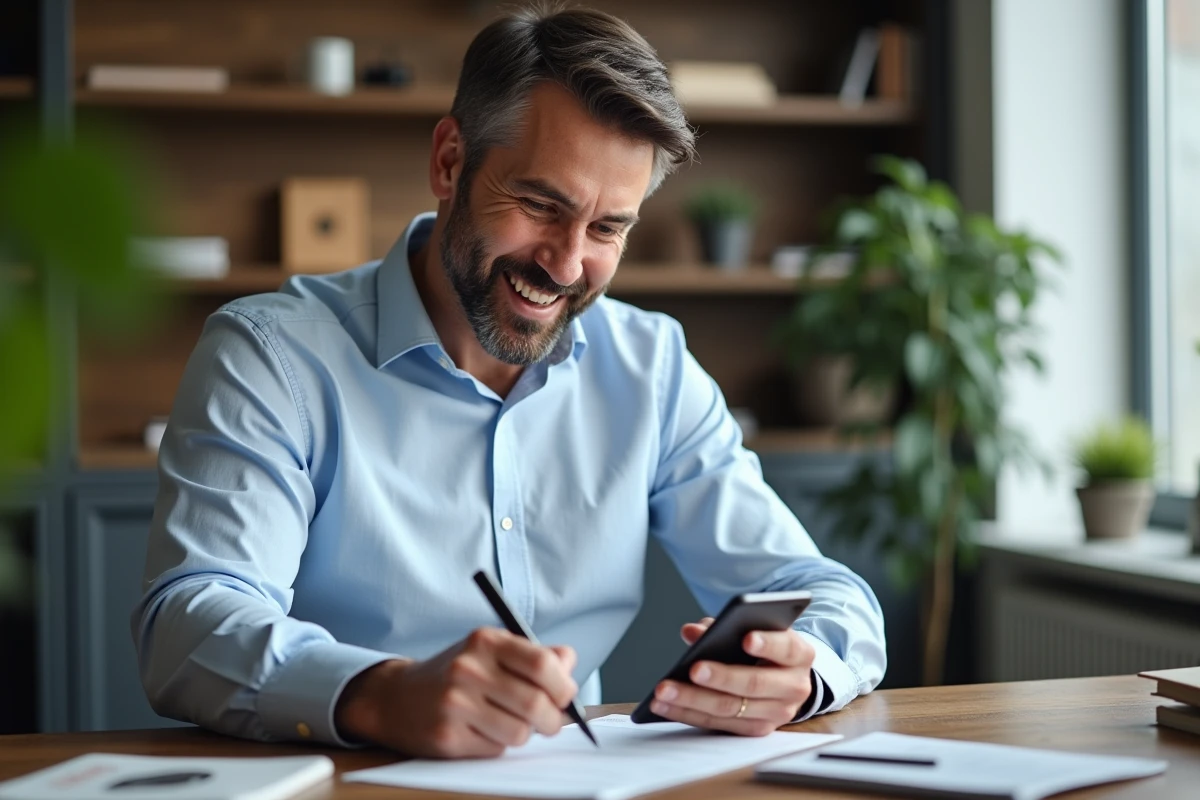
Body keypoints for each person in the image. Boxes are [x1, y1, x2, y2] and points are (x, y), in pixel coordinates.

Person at [132, 5, 886, 759]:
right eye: (540, 205)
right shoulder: (270, 356)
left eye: (607, 229)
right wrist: (381, 694)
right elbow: (188, 622)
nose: (566, 264)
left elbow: (822, 590)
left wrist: (804, 671)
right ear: (449, 162)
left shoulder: (650, 366)